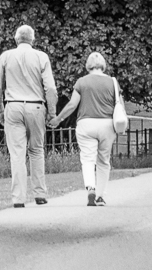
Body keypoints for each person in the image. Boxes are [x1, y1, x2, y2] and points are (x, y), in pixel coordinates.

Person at [0, 24, 58, 207]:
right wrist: (52, 112)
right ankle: (40, 194)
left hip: (12, 106)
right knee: (36, 150)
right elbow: (50, 88)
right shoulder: (41, 56)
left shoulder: (5, 56)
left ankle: (19, 198)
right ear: (32, 39)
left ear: (16, 39)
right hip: (36, 107)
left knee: (17, 154)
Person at [49, 51, 122, 206]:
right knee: (103, 161)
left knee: (88, 159)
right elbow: (119, 105)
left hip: (86, 124)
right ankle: (100, 196)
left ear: (88, 65)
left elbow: (72, 105)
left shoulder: (82, 82)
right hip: (107, 125)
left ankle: (90, 188)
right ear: (103, 65)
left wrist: (58, 119)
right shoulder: (112, 82)